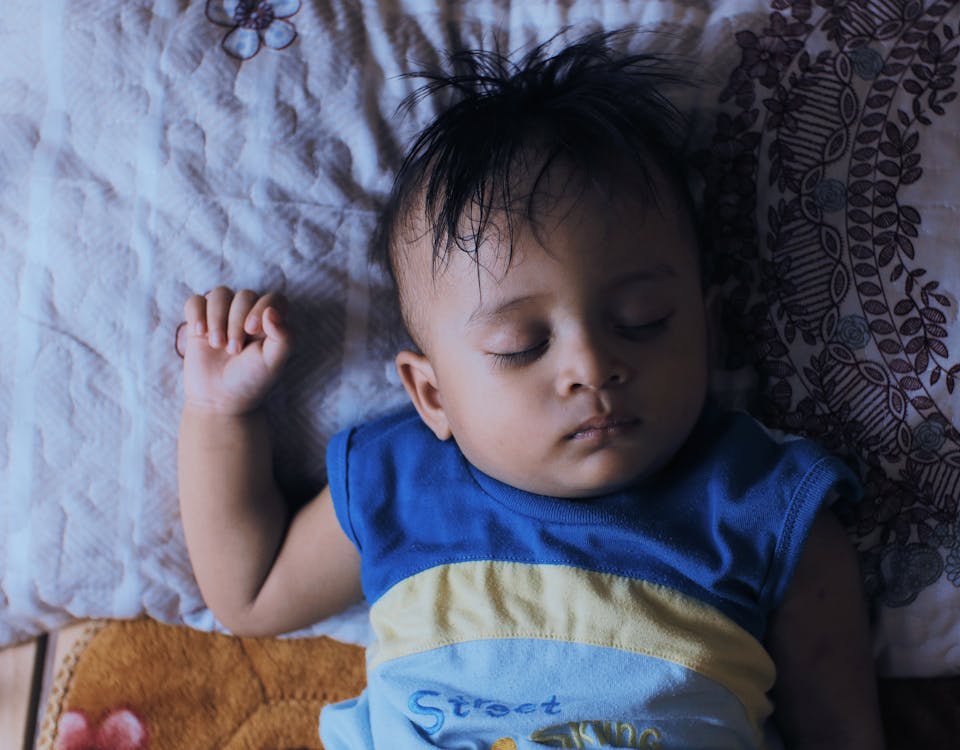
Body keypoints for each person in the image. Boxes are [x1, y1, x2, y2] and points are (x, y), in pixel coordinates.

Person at [177, 31, 883, 749]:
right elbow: (250, 591)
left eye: (642, 322)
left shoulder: (764, 502)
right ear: (432, 396)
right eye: (521, 346)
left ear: (707, 328)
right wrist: (219, 411)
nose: (590, 365)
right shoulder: (403, 482)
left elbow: (840, 730)